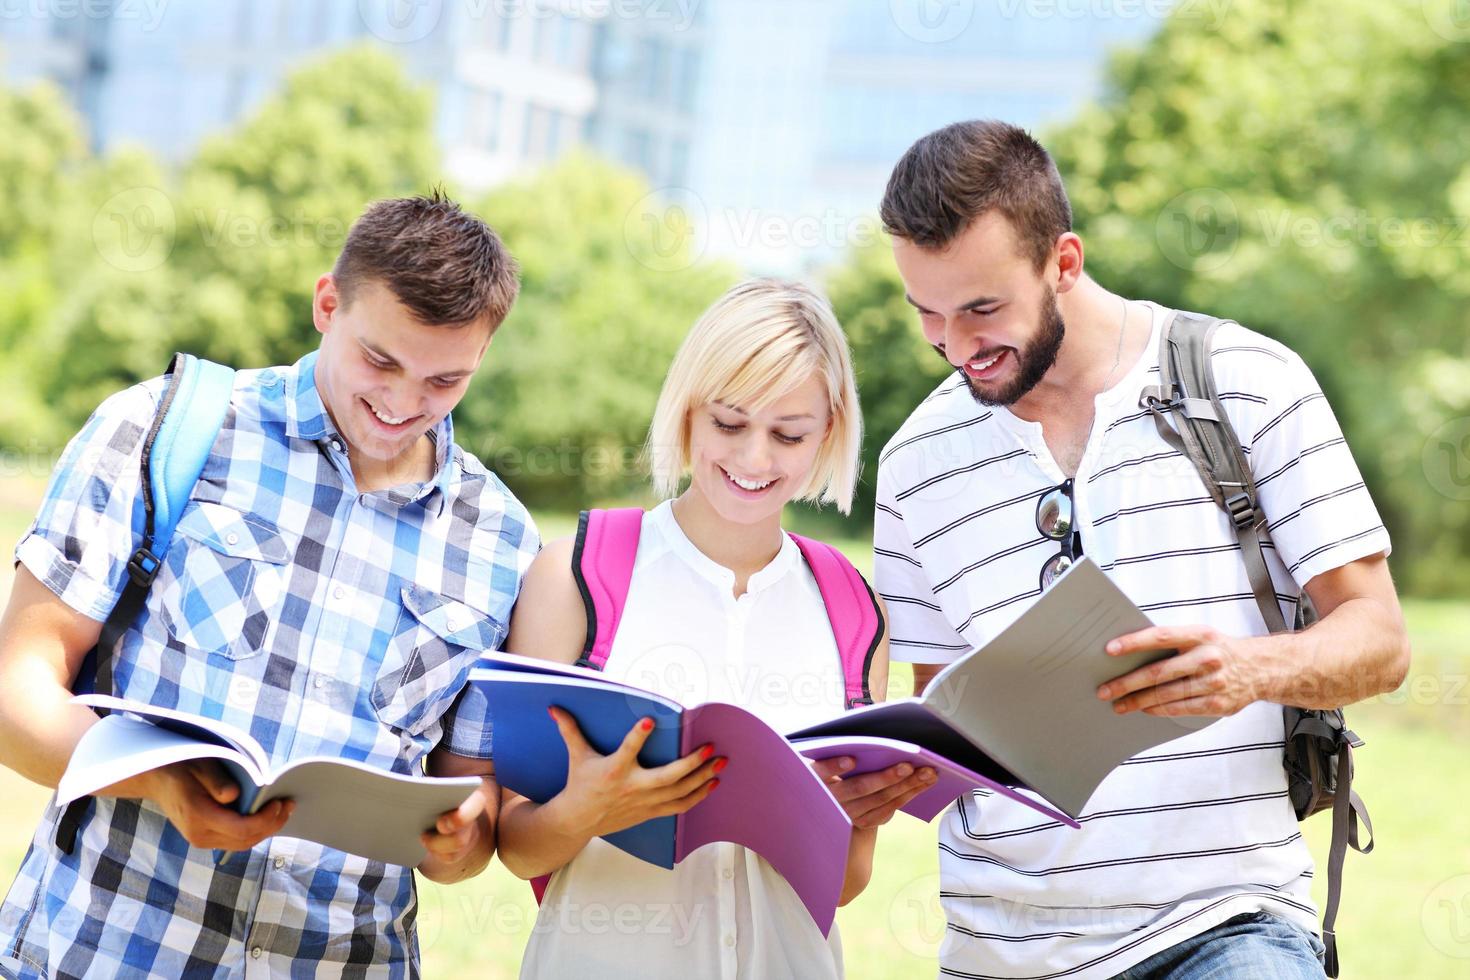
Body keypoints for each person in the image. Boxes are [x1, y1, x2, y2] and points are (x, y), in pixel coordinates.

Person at [872, 120, 1410, 979]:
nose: (956, 346)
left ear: (1065, 262)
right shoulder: (912, 466)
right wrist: (890, 781)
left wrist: (1251, 669)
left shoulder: (1246, 380)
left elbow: (1380, 641)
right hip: (1000, 950)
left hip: (1226, 925)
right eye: (927, 313)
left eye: (982, 310)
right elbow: (944, 718)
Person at [0, 192, 538, 977]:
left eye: (444, 381)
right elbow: (16, 696)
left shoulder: (502, 540)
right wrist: (156, 782)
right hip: (102, 953)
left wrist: (465, 836)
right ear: (328, 303)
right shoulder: (162, 428)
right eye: (381, 361)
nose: (402, 403)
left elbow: (475, 812)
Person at [496, 277, 937, 979]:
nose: (755, 459)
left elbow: (847, 884)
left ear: (827, 432)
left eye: (788, 433)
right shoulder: (575, 576)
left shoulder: (853, 605)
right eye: (729, 424)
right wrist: (588, 809)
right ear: (687, 416)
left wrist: (862, 815)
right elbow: (514, 845)